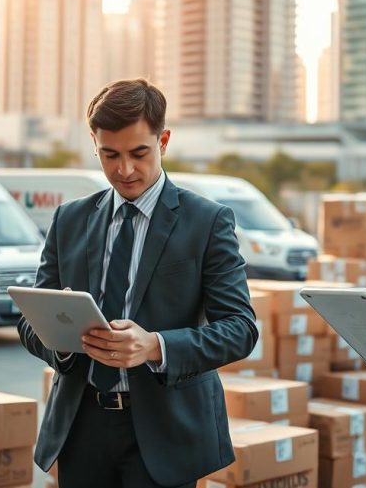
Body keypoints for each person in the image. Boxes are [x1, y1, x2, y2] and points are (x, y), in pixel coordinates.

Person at [19, 79, 259, 488]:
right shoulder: (69, 220)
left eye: (139, 153)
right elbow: (30, 322)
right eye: (109, 154)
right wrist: (62, 347)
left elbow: (241, 329)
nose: (124, 170)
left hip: (167, 431)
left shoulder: (208, 221)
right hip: (82, 428)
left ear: (163, 141)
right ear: (93, 143)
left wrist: (155, 346)